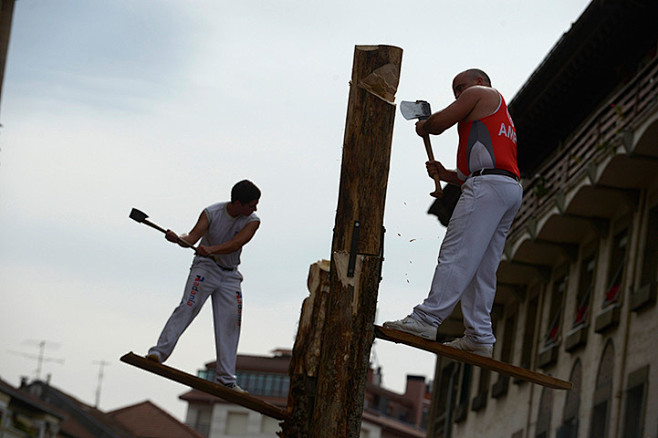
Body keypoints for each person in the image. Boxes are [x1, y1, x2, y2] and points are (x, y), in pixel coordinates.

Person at [384, 69, 523, 358]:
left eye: (461, 87)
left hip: (487, 186)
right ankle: (480, 336)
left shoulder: (482, 93)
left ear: (480, 81)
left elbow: (438, 124)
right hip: (507, 187)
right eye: (455, 91)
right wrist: (444, 174)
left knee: (457, 254)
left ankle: (426, 319)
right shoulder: (500, 117)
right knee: (482, 267)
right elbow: (469, 172)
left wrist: (425, 125)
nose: (459, 93)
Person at [146, 179, 261, 391]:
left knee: (231, 322)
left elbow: (236, 244)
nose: (255, 208)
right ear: (237, 203)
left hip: (230, 274)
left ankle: (226, 379)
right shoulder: (211, 213)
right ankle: (158, 353)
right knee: (187, 306)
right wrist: (178, 239)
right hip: (205, 268)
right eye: (251, 204)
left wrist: (212, 249)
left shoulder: (252, 221)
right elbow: (191, 237)